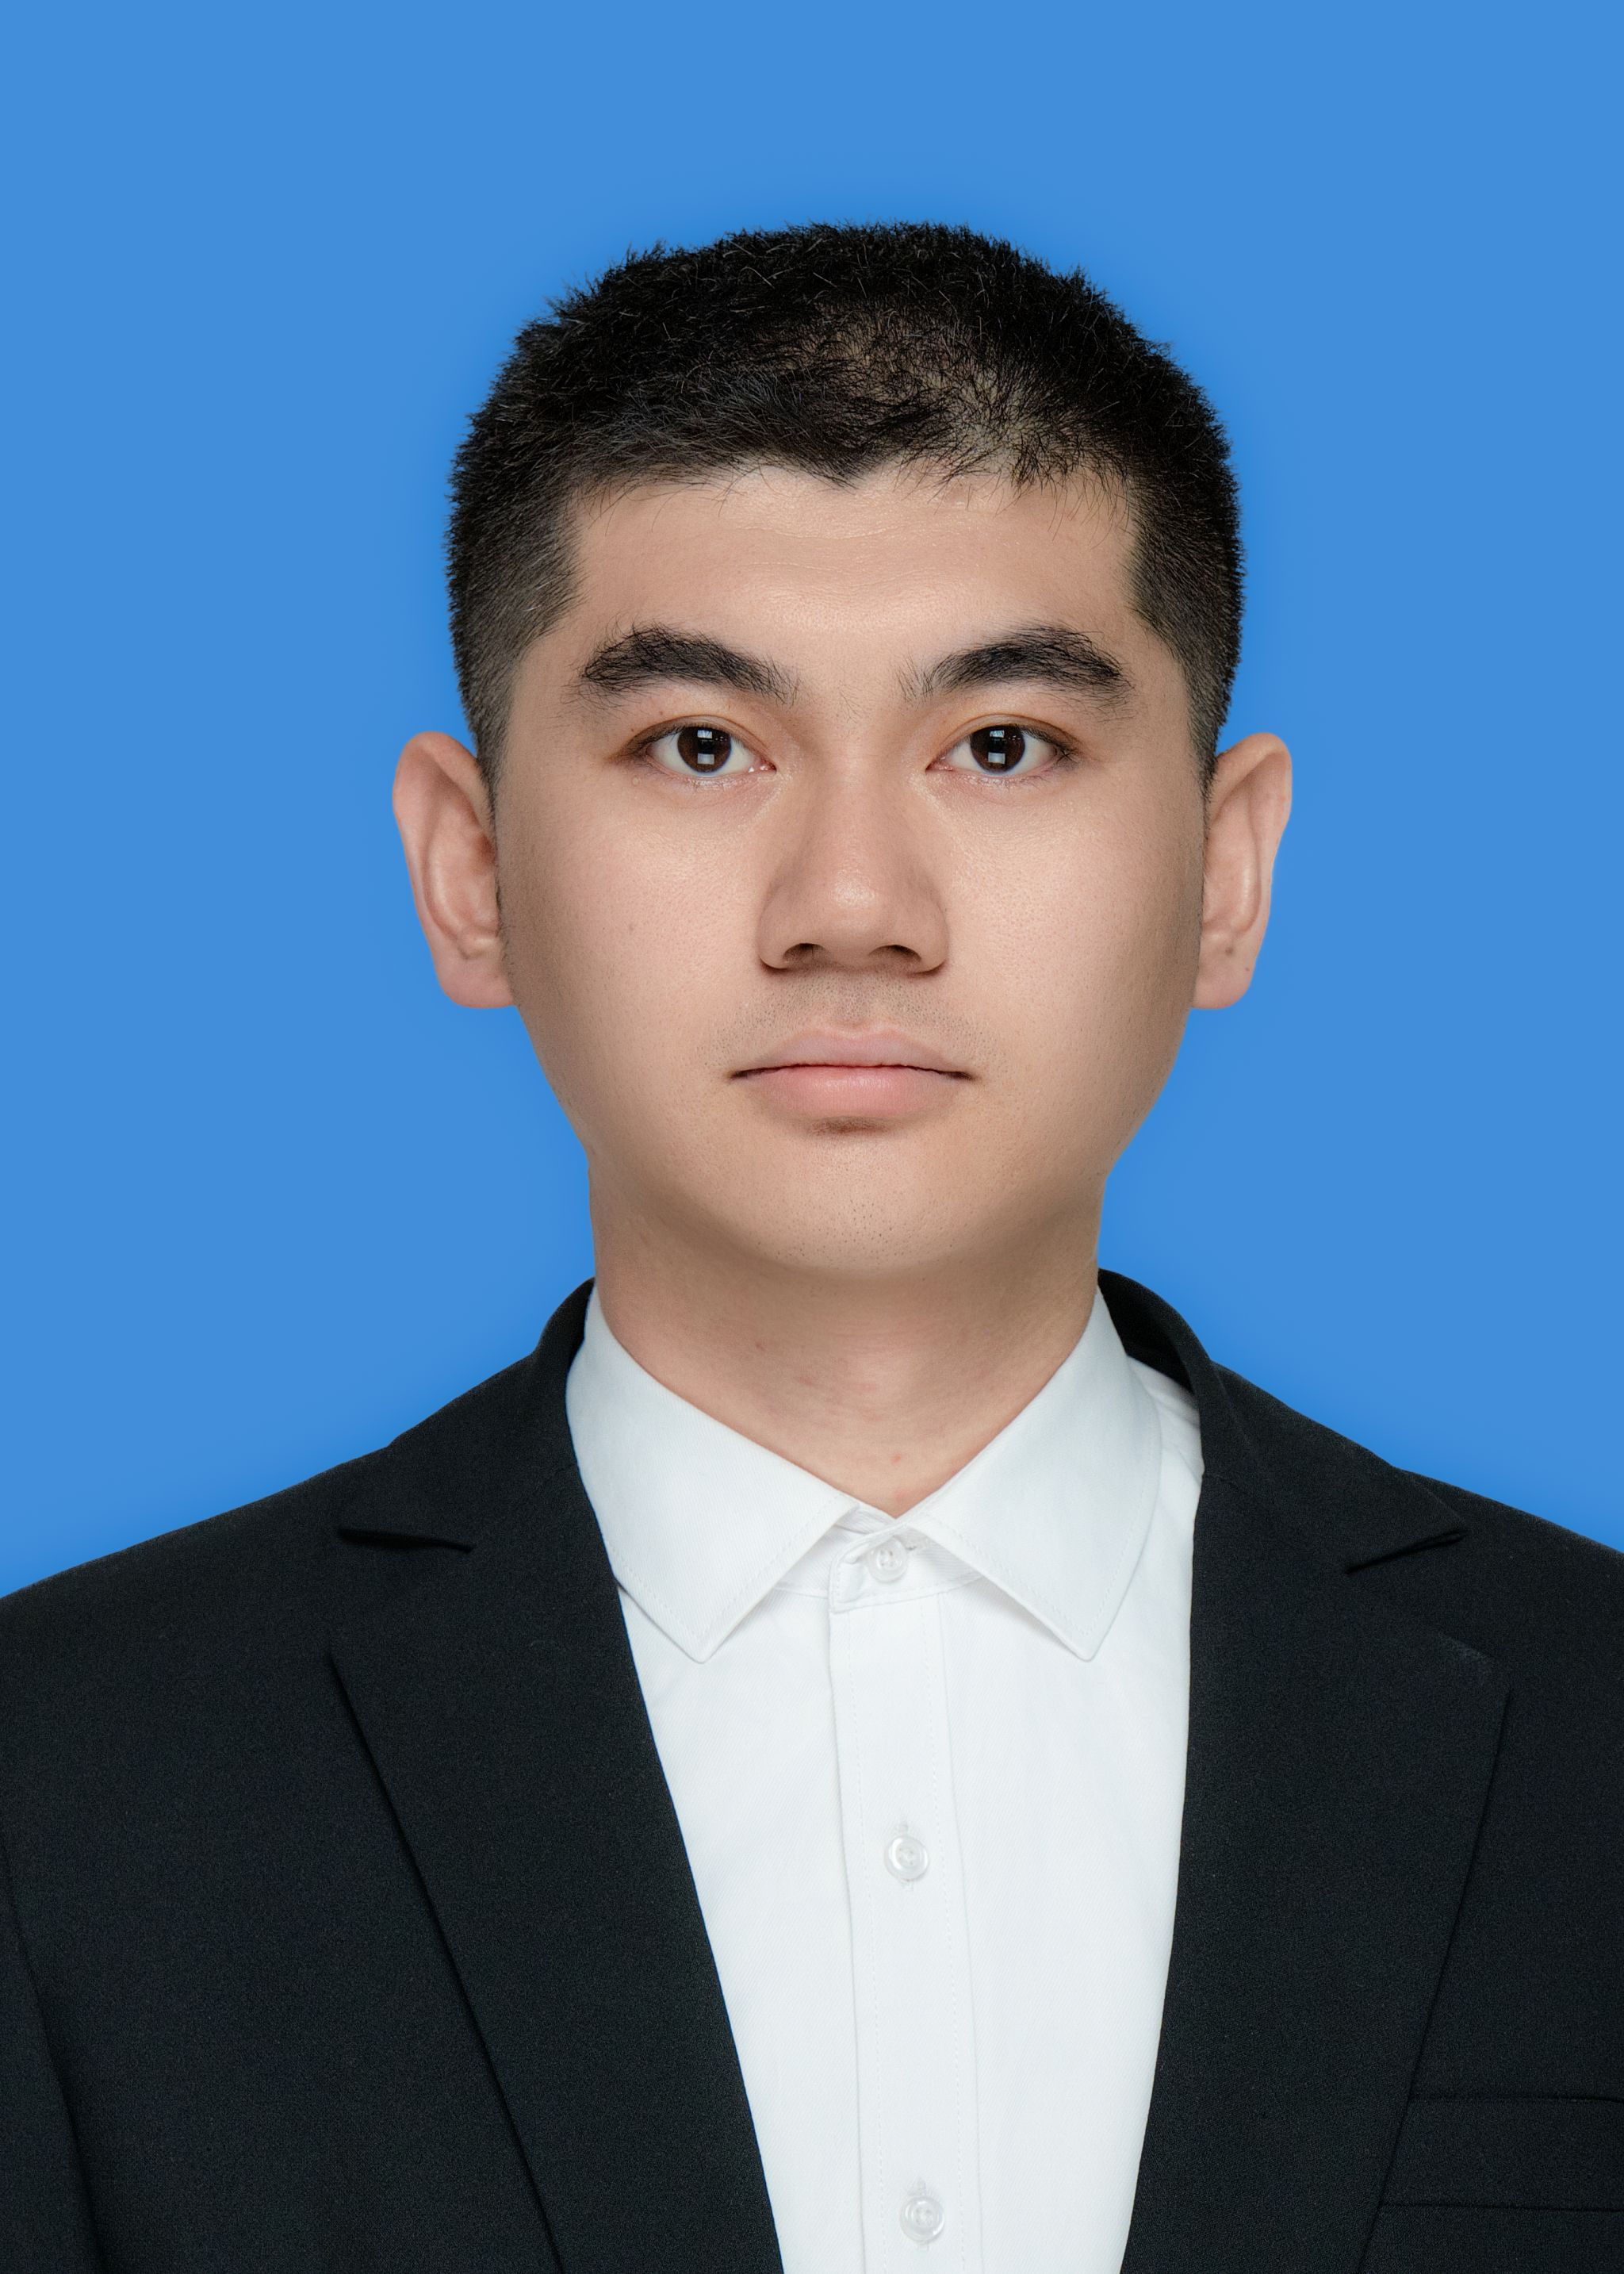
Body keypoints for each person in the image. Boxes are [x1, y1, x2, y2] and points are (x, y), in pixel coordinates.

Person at [2, 222, 1619, 2274]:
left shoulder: (1591, 1729)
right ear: (471, 866)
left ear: (1225, 869)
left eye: (1003, 744)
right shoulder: (65, 1780)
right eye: (701, 745)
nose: (852, 903)